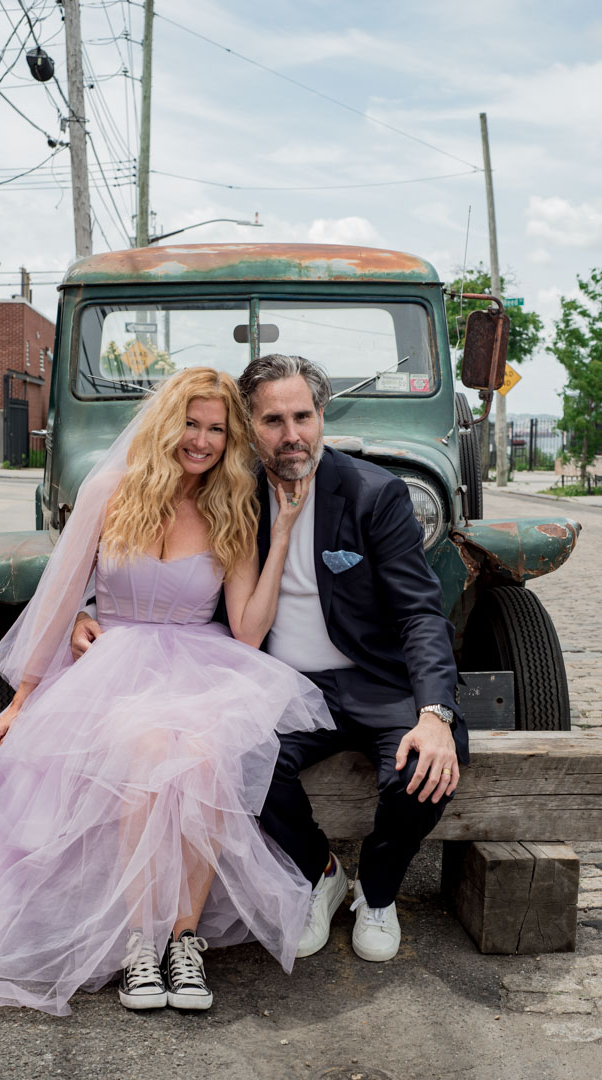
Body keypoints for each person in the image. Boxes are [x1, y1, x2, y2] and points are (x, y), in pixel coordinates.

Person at [0, 367, 334, 1027]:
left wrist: (279, 536)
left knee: (201, 750)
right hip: (115, 663)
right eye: (191, 423)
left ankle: (183, 939)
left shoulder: (232, 504)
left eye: (217, 429)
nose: (201, 440)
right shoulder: (110, 490)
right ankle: (143, 941)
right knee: (140, 745)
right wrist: (23, 698)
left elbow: (248, 632)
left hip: (203, 660)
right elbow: (59, 596)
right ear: (167, 421)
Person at [235, 353, 468, 964]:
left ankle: (380, 891)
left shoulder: (373, 493)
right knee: (233, 758)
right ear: (249, 424)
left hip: (375, 681)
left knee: (425, 770)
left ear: (322, 415)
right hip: (281, 684)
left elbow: (420, 612)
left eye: (303, 417)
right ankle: (321, 870)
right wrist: (89, 606)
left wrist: (436, 713)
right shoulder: (231, 497)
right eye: (273, 420)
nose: (291, 436)